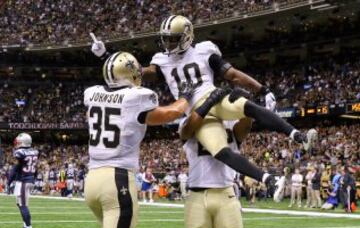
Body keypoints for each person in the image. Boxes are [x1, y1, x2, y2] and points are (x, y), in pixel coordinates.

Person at [91, 16, 313, 186]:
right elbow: (138, 72)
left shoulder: (205, 50)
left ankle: (298, 136)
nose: (168, 44)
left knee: (247, 107)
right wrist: (106, 57)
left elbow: (233, 75)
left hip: (213, 97)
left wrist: (262, 89)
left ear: (187, 36)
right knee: (221, 150)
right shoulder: (161, 60)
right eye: (165, 39)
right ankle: (268, 180)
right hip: (194, 112)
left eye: (173, 39)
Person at [83, 51, 226, 228]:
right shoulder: (136, 97)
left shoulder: (92, 93)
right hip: (117, 178)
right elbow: (171, 113)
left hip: (92, 180)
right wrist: (185, 96)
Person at [180, 119, 244, 228]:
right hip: (197, 193)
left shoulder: (231, 121)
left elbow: (246, 124)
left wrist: (245, 106)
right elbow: (186, 132)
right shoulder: (188, 121)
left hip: (226, 191)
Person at [7, 133, 38, 228]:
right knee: (20, 204)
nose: (17, 144)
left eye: (19, 142)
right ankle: (26, 226)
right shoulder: (34, 151)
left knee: (23, 205)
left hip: (24, 181)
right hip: (27, 179)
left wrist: (9, 182)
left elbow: (15, 168)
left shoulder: (19, 152)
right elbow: (34, 168)